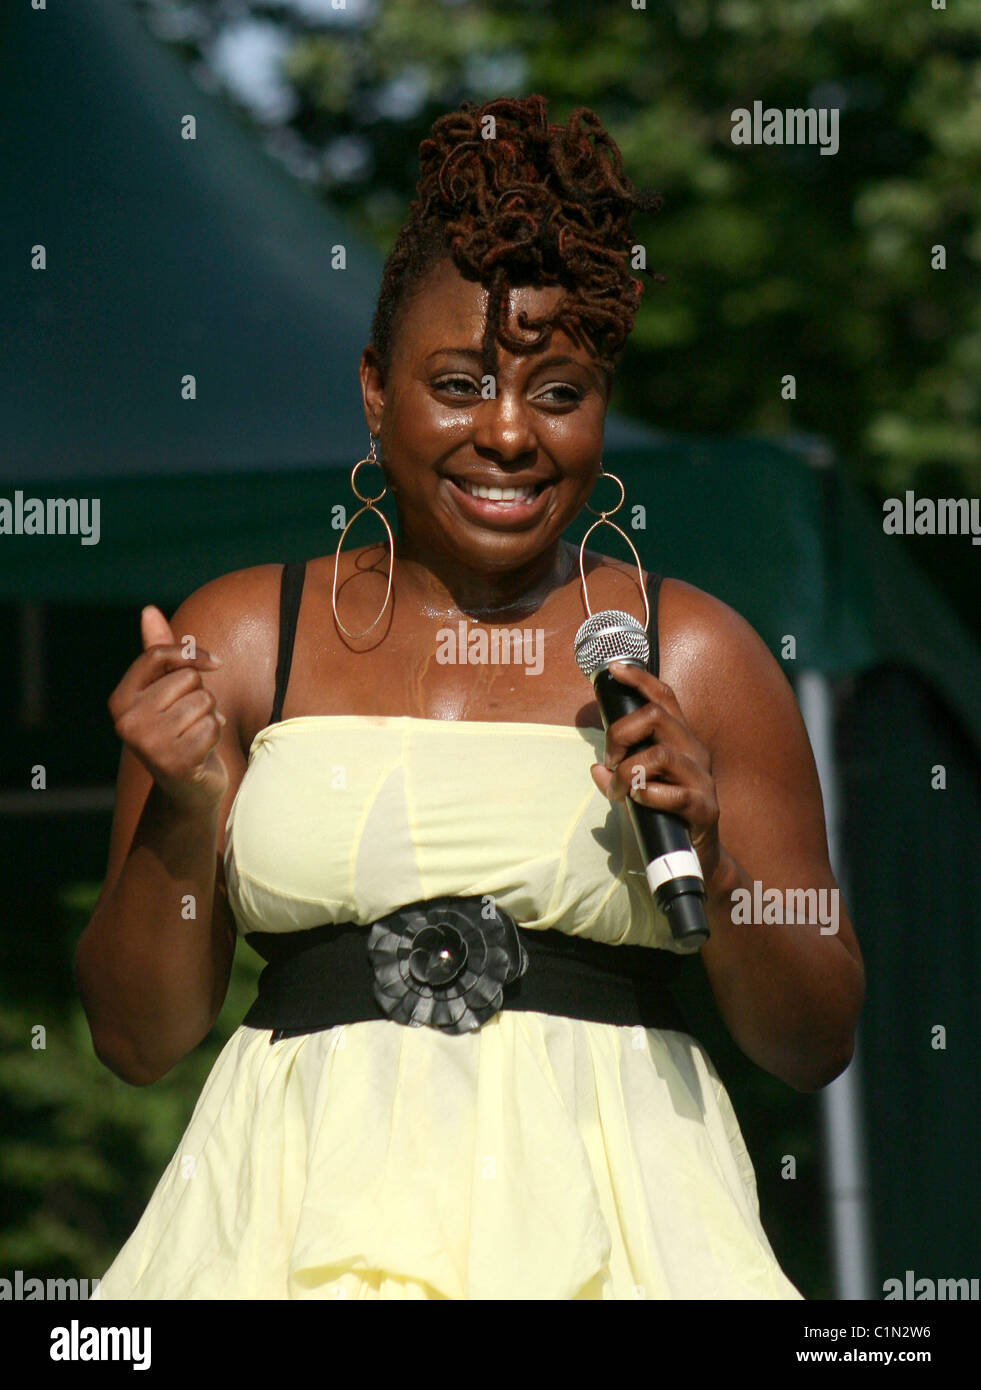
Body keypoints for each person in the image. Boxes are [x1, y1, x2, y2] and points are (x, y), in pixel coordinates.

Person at [76, 94, 864, 1300]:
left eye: (558, 393)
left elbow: (812, 1042)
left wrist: (713, 843)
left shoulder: (690, 651)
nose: (507, 433)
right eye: (458, 382)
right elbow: (137, 1041)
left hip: (623, 1246)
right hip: (282, 1248)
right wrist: (183, 816)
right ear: (375, 390)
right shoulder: (237, 639)